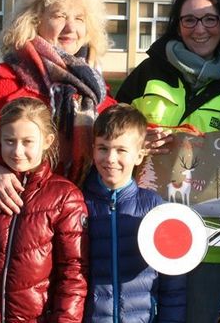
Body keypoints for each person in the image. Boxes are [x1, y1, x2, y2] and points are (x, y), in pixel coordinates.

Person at [116, 0, 220, 323]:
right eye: (189, 20)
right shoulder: (149, 72)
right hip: (145, 223)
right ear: (177, 26)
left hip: (211, 233)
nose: (200, 29)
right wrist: (138, 141)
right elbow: (113, 128)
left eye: (209, 19)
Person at [0, 0, 116, 215]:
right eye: (59, 16)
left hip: (80, 218)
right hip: (20, 220)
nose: (71, 28)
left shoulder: (94, 89)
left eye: (79, 18)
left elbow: (119, 138)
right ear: (34, 20)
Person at [0, 97, 89, 322]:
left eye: (27, 141)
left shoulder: (65, 198)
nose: (17, 151)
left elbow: (72, 274)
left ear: (48, 140)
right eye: (9, 141)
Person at [82, 103, 187, 322]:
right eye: (103, 148)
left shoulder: (154, 207)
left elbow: (172, 282)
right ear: (92, 150)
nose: (110, 158)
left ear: (139, 156)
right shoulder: (79, 204)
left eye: (121, 150)